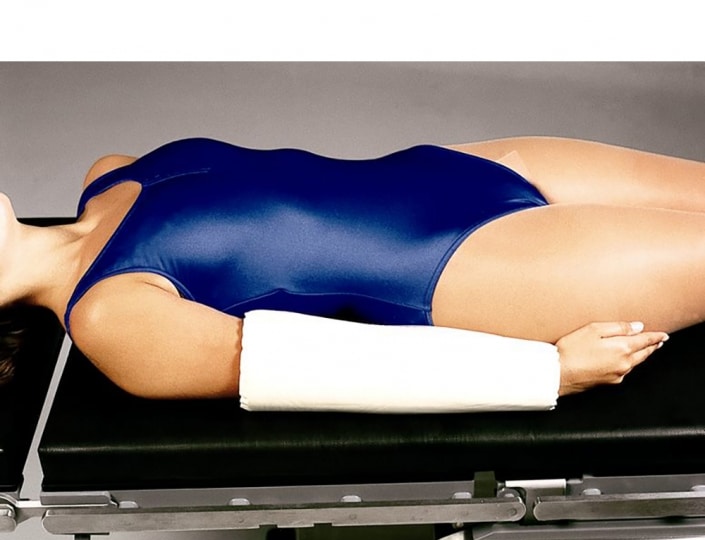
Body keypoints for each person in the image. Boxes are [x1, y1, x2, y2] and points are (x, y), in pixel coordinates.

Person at [1, 135, 687, 406]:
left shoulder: (106, 176)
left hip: (461, 169)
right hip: (475, 265)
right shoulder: (111, 317)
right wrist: (547, 374)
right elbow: (324, 365)